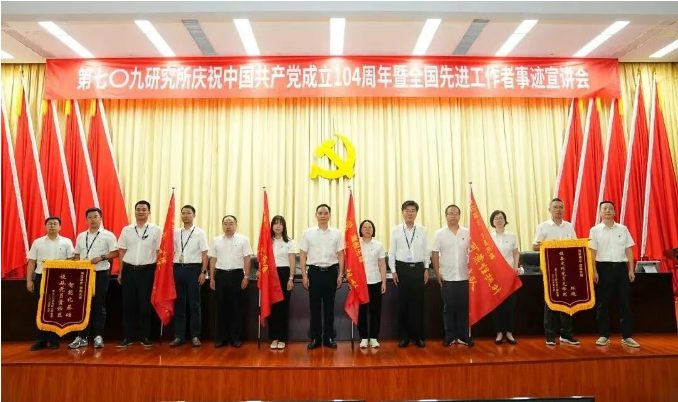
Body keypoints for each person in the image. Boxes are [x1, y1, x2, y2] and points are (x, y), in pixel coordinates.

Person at [589, 201, 640, 348]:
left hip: (621, 269)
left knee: (624, 303)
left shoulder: (623, 229)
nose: (607, 210)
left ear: (615, 212)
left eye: (610, 208)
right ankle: (604, 335)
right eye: (604, 208)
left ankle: (627, 336)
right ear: (600, 212)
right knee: (603, 303)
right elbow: (592, 253)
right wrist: (594, 271)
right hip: (603, 269)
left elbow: (628, 250)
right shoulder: (595, 230)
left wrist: (631, 270)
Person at [68, 208, 118, 349]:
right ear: (86, 220)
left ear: (100, 218)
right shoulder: (81, 236)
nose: (93, 219)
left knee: (98, 304)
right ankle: (81, 336)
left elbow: (115, 253)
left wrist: (102, 257)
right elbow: (77, 255)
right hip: (83, 274)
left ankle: (98, 336)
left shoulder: (108, 235)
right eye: (90, 217)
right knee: (82, 305)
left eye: (95, 216)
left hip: (100, 273)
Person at [533, 197, 580, 346]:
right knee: (551, 303)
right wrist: (551, 246)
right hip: (550, 270)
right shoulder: (543, 226)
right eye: (555, 207)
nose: (558, 210)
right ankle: (550, 335)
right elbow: (535, 246)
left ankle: (566, 334)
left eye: (561, 207)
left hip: (566, 269)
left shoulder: (569, 226)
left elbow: (576, 244)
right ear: (550, 210)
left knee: (567, 302)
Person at [117, 200, 162, 349]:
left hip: (147, 272)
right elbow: (121, 251)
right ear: (134, 212)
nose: (141, 212)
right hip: (129, 271)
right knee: (128, 305)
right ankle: (127, 337)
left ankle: (145, 336)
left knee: (145, 305)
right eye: (138, 209)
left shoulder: (156, 230)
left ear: (149, 212)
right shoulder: (127, 230)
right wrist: (121, 272)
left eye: (144, 209)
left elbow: (158, 252)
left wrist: (157, 273)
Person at [299, 204, 345, 350]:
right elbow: (302, 254)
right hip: (314, 273)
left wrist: (340, 274)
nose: (323, 215)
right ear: (316, 215)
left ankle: (328, 337)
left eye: (326, 213)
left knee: (330, 308)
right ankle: (315, 338)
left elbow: (341, 254)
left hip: (331, 273)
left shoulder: (337, 233)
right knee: (315, 308)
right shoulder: (308, 233)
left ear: (330, 215)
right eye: (320, 213)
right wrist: (304, 275)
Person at [26, 216, 76, 350]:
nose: (52, 226)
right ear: (45, 227)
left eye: (55, 224)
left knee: (55, 309)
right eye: (49, 224)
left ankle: (54, 339)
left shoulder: (66, 242)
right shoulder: (38, 242)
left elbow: (72, 260)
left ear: (60, 227)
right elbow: (32, 261)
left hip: (60, 278)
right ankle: (41, 339)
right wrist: (29, 280)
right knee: (41, 309)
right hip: (41, 277)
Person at [389, 200, 429, 348]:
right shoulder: (396, 230)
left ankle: (418, 337)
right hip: (402, 269)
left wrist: (426, 269)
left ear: (416, 213)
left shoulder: (422, 230)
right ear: (402, 212)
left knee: (418, 304)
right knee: (403, 304)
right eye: (407, 210)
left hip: (418, 269)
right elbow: (392, 253)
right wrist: (393, 271)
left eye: (413, 210)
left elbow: (426, 251)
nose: (410, 213)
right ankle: (404, 337)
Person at [432, 205, 474, 347]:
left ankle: (462, 336)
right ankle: (449, 336)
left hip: (464, 276)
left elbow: (473, 252)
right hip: (447, 277)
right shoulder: (439, 233)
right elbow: (435, 254)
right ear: (446, 216)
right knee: (448, 308)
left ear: (460, 216)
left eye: (456, 213)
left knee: (463, 308)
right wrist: (437, 272)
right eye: (450, 213)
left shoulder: (467, 232)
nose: (453, 216)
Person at [208, 215, 252, 348]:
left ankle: (235, 338)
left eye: (231, 223)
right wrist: (212, 278)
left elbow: (247, 258)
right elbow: (213, 259)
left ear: (236, 225)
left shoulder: (243, 239)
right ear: (222, 225)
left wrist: (246, 277)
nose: (228, 226)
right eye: (226, 223)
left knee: (236, 307)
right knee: (221, 307)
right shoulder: (216, 240)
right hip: (221, 275)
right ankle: (221, 338)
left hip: (236, 275)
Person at [169, 205, 209, 348]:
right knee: (179, 303)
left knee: (194, 303)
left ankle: (195, 335)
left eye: (189, 213)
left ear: (194, 215)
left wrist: (203, 272)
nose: (186, 215)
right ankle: (179, 336)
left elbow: (205, 253)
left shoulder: (200, 233)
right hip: (178, 269)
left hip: (194, 269)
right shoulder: (175, 232)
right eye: (183, 213)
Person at [489, 210, 520, 345]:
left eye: (501, 218)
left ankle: (509, 332)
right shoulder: (489, 237)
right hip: (495, 276)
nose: (499, 220)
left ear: (505, 220)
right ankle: (499, 333)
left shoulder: (512, 236)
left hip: (509, 275)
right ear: (492, 221)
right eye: (496, 218)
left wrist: (515, 267)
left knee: (510, 305)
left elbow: (516, 253)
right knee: (497, 306)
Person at [267, 215, 296, 350]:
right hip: (270, 274)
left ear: (284, 226)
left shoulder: (289, 241)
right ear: (272, 226)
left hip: (284, 274)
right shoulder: (267, 241)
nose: (278, 226)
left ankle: (282, 337)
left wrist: (291, 278)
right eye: (275, 223)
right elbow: (263, 258)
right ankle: (274, 337)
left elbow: (292, 261)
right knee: (272, 307)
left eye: (280, 224)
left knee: (283, 307)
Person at [357, 219, 386, 349]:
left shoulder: (379, 245)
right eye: (365, 227)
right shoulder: (356, 245)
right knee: (362, 311)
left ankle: (374, 338)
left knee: (375, 311)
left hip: (375, 281)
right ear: (361, 230)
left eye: (370, 227)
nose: (367, 229)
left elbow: (382, 264)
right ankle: (363, 338)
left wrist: (383, 282)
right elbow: (351, 263)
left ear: (373, 230)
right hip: (361, 283)